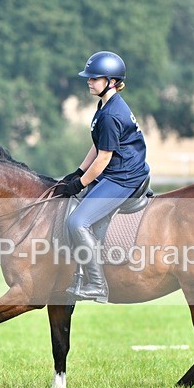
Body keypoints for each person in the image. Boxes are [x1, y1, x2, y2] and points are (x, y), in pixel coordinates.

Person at [55, 51, 150, 303]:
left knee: (77, 222)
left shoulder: (110, 115)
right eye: (89, 78)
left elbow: (104, 159)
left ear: (111, 81)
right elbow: (97, 146)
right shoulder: (105, 105)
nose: (89, 81)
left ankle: (97, 285)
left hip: (122, 178)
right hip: (118, 171)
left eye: (95, 78)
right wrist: (78, 171)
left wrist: (79, 184)